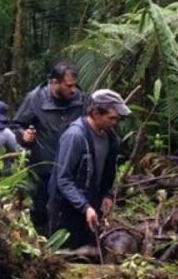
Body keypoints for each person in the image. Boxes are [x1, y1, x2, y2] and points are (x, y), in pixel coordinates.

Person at [48, 89, 129, 249]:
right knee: (67, 255)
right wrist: (84, 206)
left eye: (117, 119)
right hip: (67, 209)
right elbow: (63, 179)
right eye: (111, 118)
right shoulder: (75, 136)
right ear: (95, 113)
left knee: (89, 253)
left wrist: (107, 194)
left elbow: (108, 171)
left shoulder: (111, 138)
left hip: (92, 205)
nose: (115, 123)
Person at [13, 62, 86, 232]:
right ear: (54, 82)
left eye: (74, 85)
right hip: (44, 168)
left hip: (72, 169)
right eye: (68, 86)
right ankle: (43, 249)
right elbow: (15, 125)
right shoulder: (35, 99)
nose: (73, 90)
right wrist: (23, 135)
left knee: (71, 211)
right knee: (41, 212)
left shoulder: (81, 99)